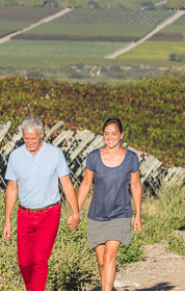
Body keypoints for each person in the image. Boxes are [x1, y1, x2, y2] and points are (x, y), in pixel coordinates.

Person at [3, 116, 81, 291]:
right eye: (26, 138)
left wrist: (75, 213)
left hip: (49, 214)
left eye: (34, 138)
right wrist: (7, 220)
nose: (30, 142)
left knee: (39, 259)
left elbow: (67, 185)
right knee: (24, 263)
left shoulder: (55, 154)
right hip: (24, 214)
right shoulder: (16, 156)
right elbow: (12, 189)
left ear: (42, 135)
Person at [76, 117, 143, 291]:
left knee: (109, 256)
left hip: (121, 213)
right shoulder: (93, 157)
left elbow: (135, 186)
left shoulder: (131, 158)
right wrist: (75, 211)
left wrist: (138, 215)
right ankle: (108, 286)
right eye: (106, 134)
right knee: (101, 261)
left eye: (114, 133)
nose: (110, 137)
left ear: (121, 135)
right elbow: (85, 185)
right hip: (97, 214)